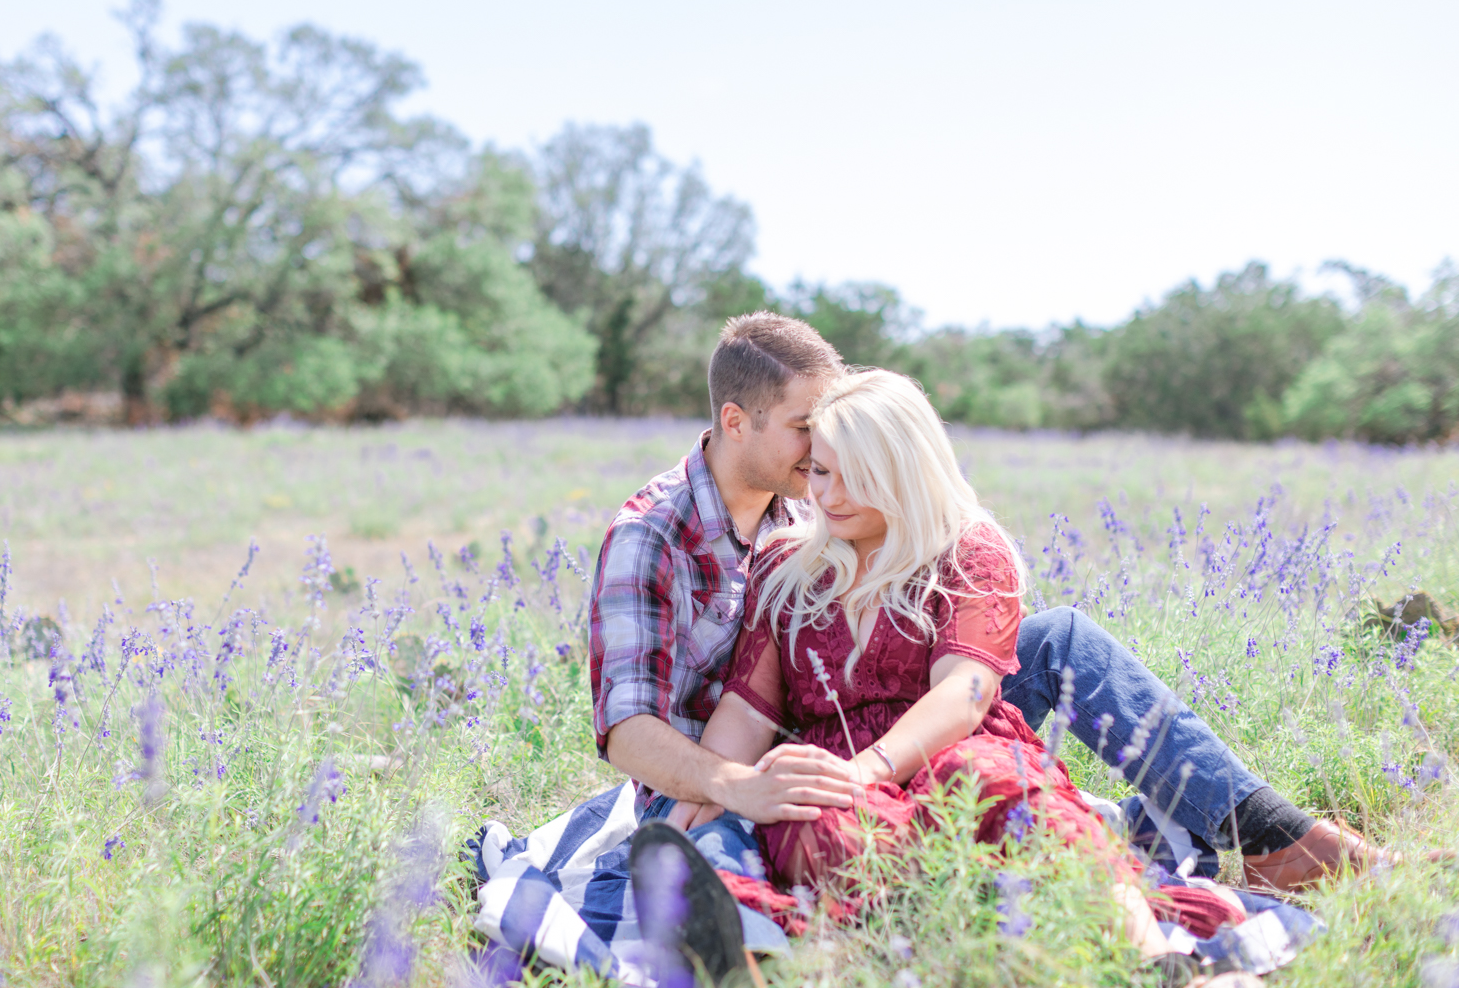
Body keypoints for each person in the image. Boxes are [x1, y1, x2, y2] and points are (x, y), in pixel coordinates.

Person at [591, 310, 1385, 899]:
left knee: (1056, 640)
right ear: (737, 421)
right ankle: (1124, 838)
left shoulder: (808, 502)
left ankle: (1275, 835)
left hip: (865, 723)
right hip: (734, 769)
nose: (823, 451)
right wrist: (730, 785)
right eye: (807, 429)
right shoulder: (652, 535)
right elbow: (627, 732)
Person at [692, 368, 1247, 957]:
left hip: (954, 747)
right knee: (813, 818)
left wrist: (872, 768)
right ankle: (936, 943)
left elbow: (965, 693)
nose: (829, 497)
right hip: (840, 766)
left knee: (996, 783)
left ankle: (1155, 959)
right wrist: (694, 800)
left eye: (858, 479)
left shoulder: (967, 549)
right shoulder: (789, 566)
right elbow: (749, 710)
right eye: (822, 472)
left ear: (906, 473)